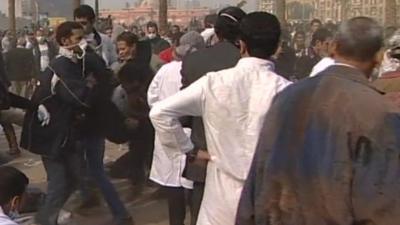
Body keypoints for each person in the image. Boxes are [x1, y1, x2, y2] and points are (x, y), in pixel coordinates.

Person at [235, 17, 400, 225]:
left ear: (333, 48)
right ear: (378, 57)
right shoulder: (379, 111)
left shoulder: (285, 97)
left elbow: (258, 175)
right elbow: (382, 204)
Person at [150, 12, 291, 225]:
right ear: (277, 46)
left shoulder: (215, 83)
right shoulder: (287, 92)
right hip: (265, 198)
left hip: (220, 201)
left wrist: (191, 150)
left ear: (242, 45)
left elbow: (159, 112)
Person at [20, 21, 133, 225]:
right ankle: (44, 220)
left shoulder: (74, 63)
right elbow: (81, 97)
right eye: (78, 38)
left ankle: (46, 217)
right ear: (65, 41)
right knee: (60, 182)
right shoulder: (62, 66)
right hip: (52, 135)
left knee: (73, 178)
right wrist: (93, 84)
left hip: (65, 134)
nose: (83, 42)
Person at [179, 6, 246, 224]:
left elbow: (182, 114)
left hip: (204, 155)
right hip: (241, 159)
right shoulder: (249, 65)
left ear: (216, 32)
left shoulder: (194, 61)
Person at [147, 31, 205, 225]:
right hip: (192, 133)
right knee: (193, 190)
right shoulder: (201, 71)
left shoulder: (165, 70)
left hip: (168, 131)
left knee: (173, 189)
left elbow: (152, 99)